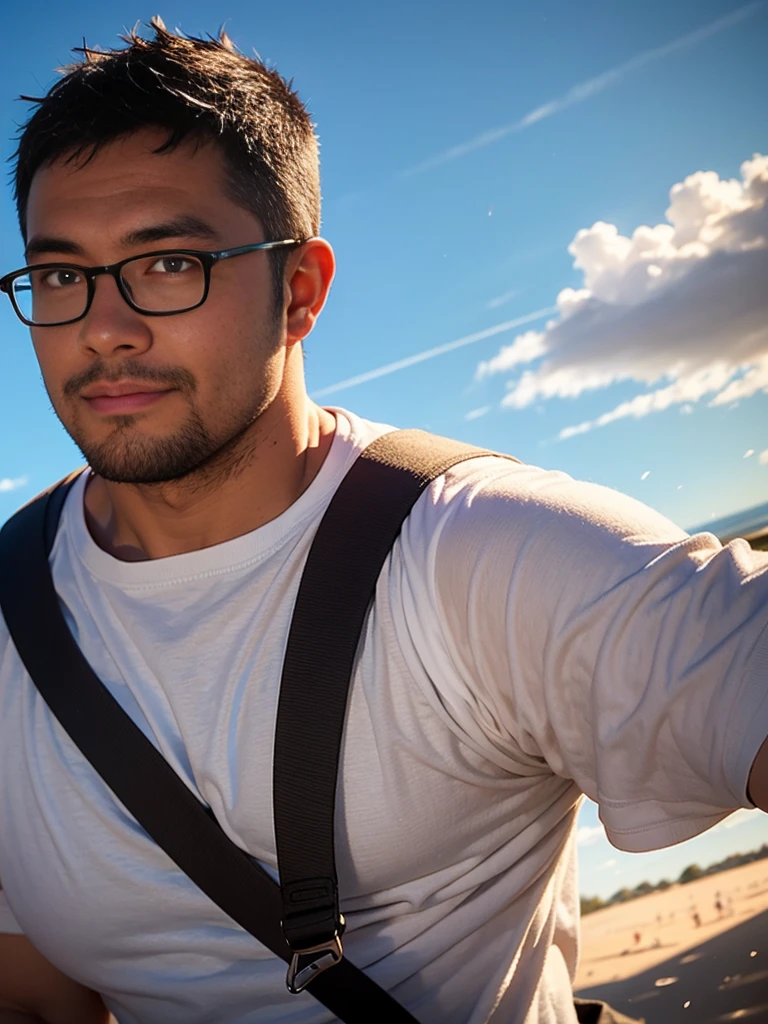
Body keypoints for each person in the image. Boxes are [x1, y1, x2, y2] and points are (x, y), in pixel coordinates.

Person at [0, 18, 766, 1024]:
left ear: (300, 291)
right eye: (60, 274)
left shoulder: (475, 551)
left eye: (169, 262)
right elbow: (43, 1001)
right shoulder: (14, 618)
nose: (103, 326)